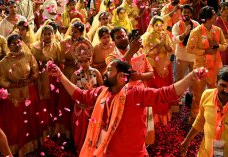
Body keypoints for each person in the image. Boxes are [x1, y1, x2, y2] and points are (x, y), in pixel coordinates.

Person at [48, 58, 198, 156]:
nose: (104, 73)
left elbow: (166, 93)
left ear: (122, 77)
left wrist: (190, 77)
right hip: (106, 152)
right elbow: (80, 95)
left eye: (109, 70)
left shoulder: (135, 94)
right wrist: (60, 76)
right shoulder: (102, 92)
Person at [180, 67, 228, 157]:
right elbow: (200, 120)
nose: (226, 90)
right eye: (223, 85)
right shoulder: (206, 95)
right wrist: (187, 140)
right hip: (207, 152)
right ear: (216, 83)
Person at [0, 34, 40, 155]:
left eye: (18, 42)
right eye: (13, 43)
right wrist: (14, 84)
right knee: (17, 121)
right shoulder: (4, 62)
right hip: (14, 95)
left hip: (28, 91)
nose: (17, 45)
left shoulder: (28, 56)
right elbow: (2, 80)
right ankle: (19, 146)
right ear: (9, 46)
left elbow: (35, 70)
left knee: (31, 117)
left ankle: (33, 143)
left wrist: (30, 79)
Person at [187, 6, 227, 121]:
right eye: (214, 15)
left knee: (215, 93)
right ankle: (195, 116)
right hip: (201, 67)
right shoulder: (197, 32)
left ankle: (213, 114)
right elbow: (189, 49)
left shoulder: (217, 30)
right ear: (208, 18)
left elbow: (224, 45)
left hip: (215, 67)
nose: (216, 16)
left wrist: (217, 46)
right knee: (197, 95)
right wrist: (205, 51)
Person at [70, 39, 103, 154]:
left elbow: (102, 90)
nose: (84, 64)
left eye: (86, 61)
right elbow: (72, 93)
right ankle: (82, 150)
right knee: (82, 130)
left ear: (90, 60)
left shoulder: (96, 73)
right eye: (81, 61)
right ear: (77, 62)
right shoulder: (75, 75)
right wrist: (79, 103)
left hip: (94, 106)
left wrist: (96, 102)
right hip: (81, 107)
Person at [142, 16, 175, 124]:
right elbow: (148, 53)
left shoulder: (165, 35)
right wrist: (159, 44)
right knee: (156, 90)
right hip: (154, 66)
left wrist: (164, 43)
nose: (159, 27)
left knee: (165, 88)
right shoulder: (147, 37)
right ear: (152, 25)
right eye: (156, 25)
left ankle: (165, 113)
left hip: (165, 63)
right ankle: (155, 116)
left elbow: (171, 49)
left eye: (161, 25)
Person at [172, 5, 199, 82]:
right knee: (179, 79)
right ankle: (178, 94)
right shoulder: (177, 25)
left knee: (194, 79)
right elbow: (174, 39)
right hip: (181, 56)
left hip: (193, 57)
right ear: (181, 13)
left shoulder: (196, 24)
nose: (186, 14)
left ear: (191, 14)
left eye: (188, 12)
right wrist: (185, 34)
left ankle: (191, 94)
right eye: (184, 12)